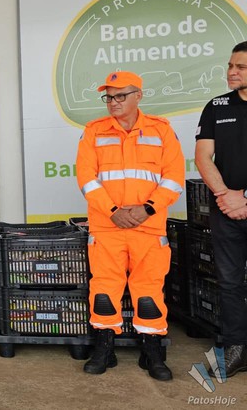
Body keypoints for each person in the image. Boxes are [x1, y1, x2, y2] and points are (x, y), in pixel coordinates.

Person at [76, 71, 184, 381]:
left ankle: (152, 352)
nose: (113, 102)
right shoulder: (93, 131)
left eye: (120, 96)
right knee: (103, 290)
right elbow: (86, 178)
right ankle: (104, 349)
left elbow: (174, 178)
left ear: (139, 95)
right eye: (109, 97)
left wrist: (146, 209)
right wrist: (113, 211)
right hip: (106, 226)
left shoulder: (161, 130)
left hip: (148, 226)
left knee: (149, 291)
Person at [194, 41, 247, 378]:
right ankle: (236, 348)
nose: (231, 72)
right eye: (230, 65)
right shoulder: (216, 106)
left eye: (240, 67)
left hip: (237, 204)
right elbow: (203, 156)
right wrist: (226, 195)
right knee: (229, 283)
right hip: (226, 211)